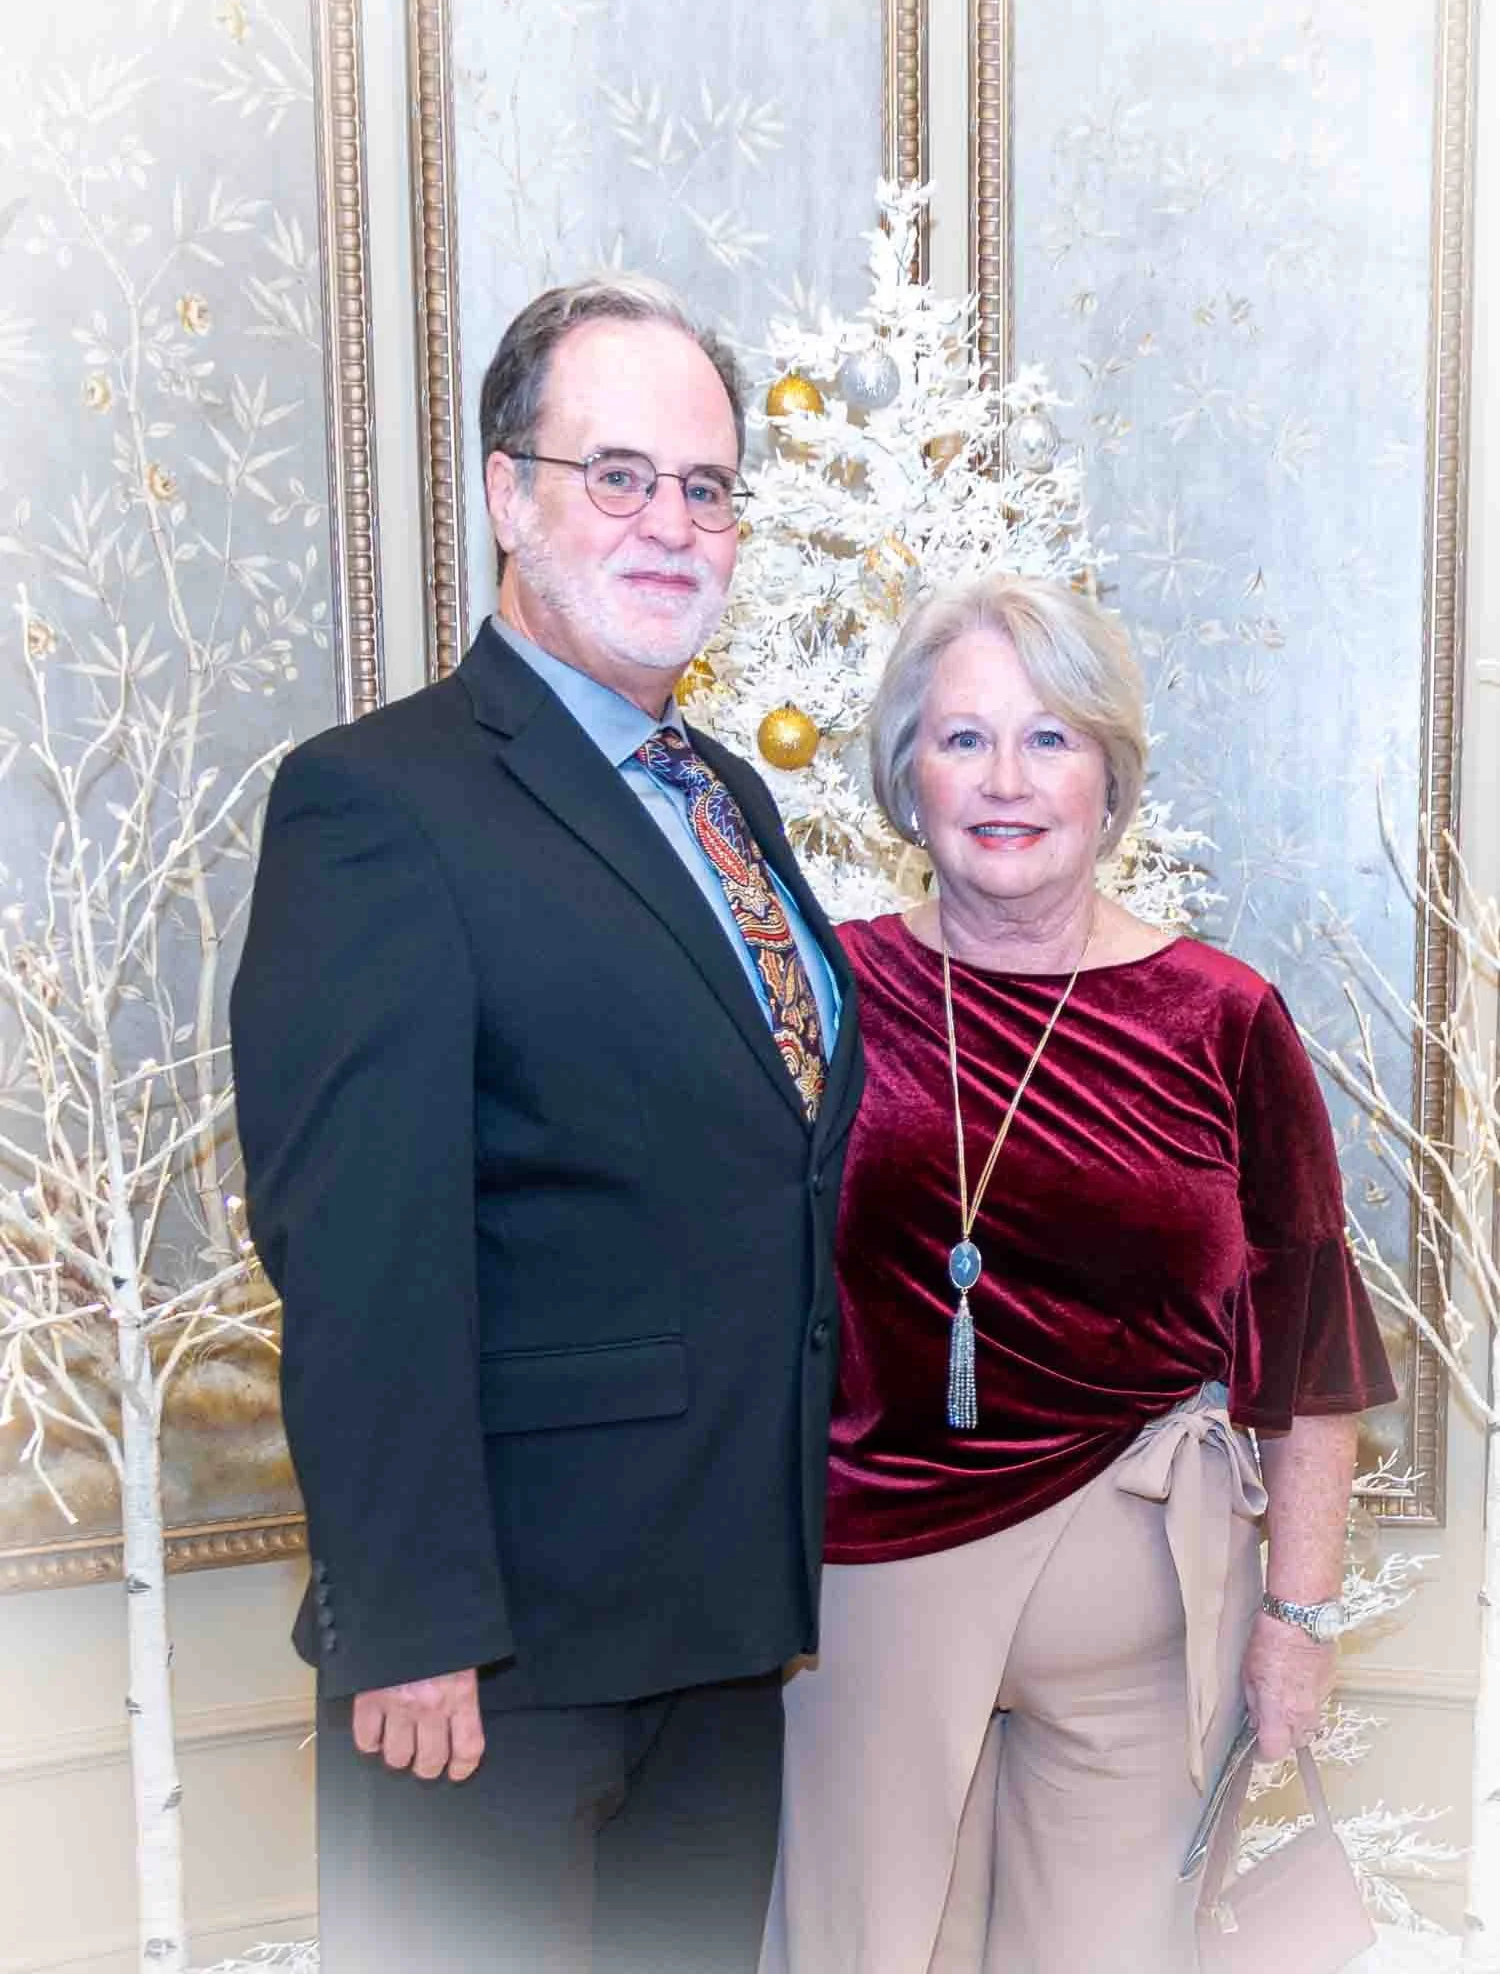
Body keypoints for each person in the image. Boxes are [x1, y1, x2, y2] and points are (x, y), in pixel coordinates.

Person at [230, 275, 863, 1974]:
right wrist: (410, 1622)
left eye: (707, 487)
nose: (673, 524)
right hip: (496, 1661)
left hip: (718, 1625)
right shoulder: (380, 801)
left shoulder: (723, 798)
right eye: (619, 475)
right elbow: (360, 1247)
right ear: (511, 495)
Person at [760, 574, 1395, 1974]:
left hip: (1148, 1624)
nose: (1007, 780)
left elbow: (1309, 1357)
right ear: (906, 777)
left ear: (1109, 778)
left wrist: (1298, 1620)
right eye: (963, 737)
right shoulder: (828, 998)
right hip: (870, 1593)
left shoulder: (1224, 1018)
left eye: (1050, 737)